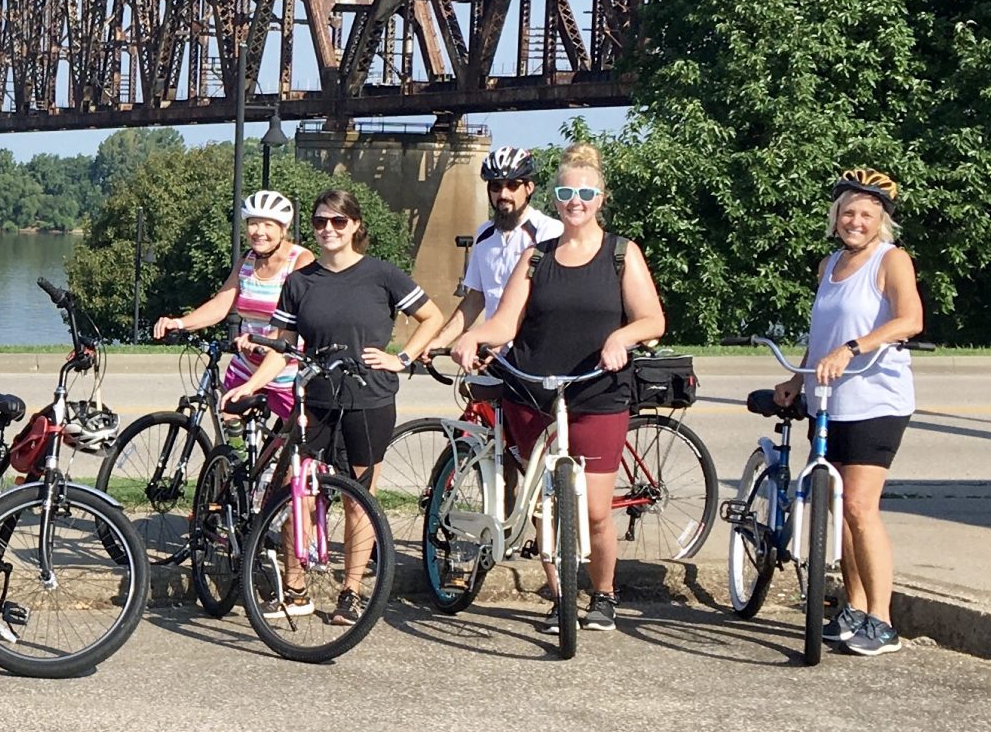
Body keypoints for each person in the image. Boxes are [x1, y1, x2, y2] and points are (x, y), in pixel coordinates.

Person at [449, 143, 667, 634]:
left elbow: (652, 318)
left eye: (585, 192)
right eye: (567, 192)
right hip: (533, 388)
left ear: (601, 197)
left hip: (597, 391)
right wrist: (471, 336)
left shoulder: (620, 253)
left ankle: (604, 595)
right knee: (547, 504)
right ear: (556, 195)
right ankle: (560, 595)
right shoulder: (535, 256)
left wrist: (621, 337)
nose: (576, 201)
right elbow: (505, 321)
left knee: (592, 510)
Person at [228, 187, 442, 626]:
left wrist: (400, 359)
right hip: (316, 397)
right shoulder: (301, 281)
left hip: (369, 399)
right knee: (296, 490)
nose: (329, 229)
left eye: (338, 222)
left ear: (355, 226)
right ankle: (296, 587)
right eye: (321, 222)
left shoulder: (382, 275)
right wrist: (250, 382)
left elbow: (432, 317)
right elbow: (282, 348)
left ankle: (351, 592)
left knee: (359, 498)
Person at [782, 168, 922, 658]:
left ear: (881, 220)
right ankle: (855, 606)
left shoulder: (891, 260)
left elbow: (911, 319)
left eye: (866, 214)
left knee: (861, 506)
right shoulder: (830, 265)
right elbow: (821, 340)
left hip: (877, 399)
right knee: (841, 509)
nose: (856, 221)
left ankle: (882, 620)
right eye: (848, 213)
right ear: (835, 217)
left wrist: (853, 347)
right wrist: (796, 379)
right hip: (830, 401)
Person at [150, 189, 312, 417]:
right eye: (253, 224)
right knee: (230, 429)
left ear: (283, 229)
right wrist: (179, 323)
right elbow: (221, 304)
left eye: (268, 225)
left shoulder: (300, 261)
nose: (259, 232)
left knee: (302, 447)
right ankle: (236, 454)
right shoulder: (247, 260)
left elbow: (301, 320)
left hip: (285, 371)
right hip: (246, 364)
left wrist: (269, 343)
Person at [430, 145, 560, 379]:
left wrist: (504, 340)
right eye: (496, 186)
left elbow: (548, 300)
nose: (504, 194)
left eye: (513, 185)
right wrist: (439, 341)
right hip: (492, 353)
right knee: (479, 409)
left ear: (529, 187)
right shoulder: (485, 234)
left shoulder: (548, 231)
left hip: (533, 353)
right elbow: (476, 298)